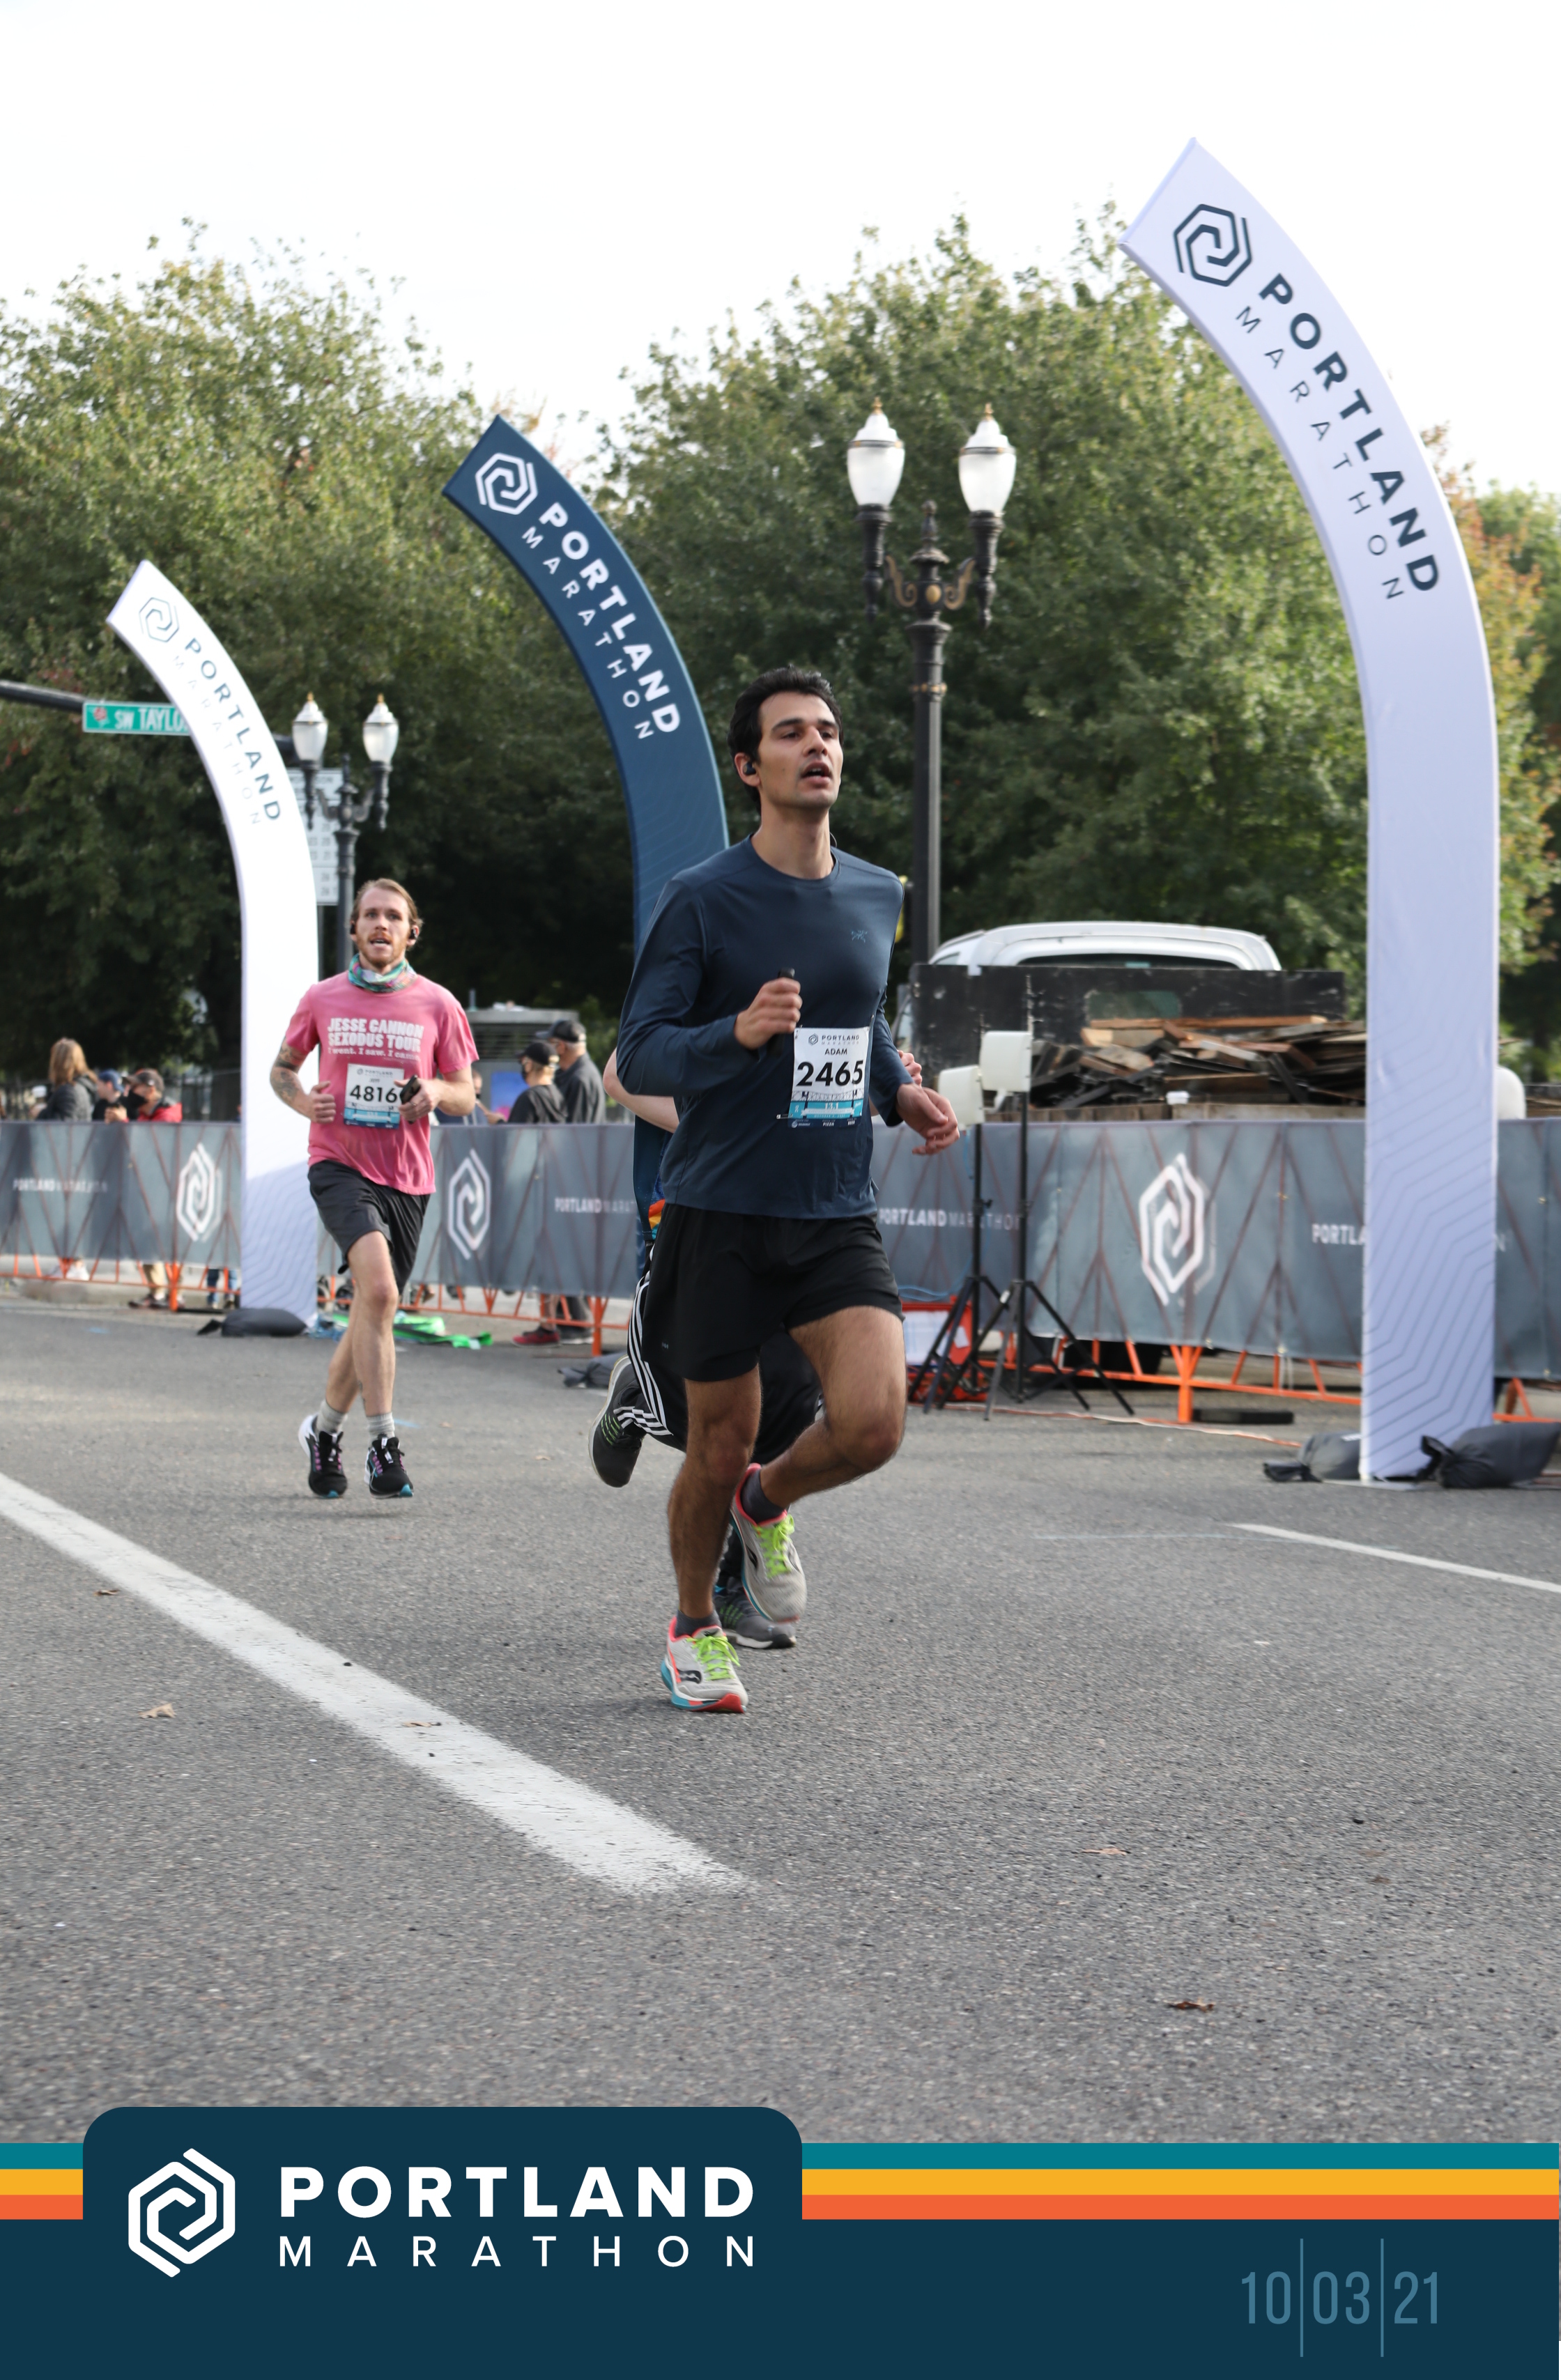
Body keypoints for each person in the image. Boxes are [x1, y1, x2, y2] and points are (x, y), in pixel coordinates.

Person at [614, 664, 960, 1713]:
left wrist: (899, 1091)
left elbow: (863, 1016)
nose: (817, 746)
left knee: (874, 1423)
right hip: (720, 1208)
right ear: (747, 766)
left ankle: (766, 1503)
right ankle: (692, 1628)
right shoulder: (702, 897)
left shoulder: (875, 891)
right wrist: (737, 1032)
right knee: (715, 1445)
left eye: (828, 731)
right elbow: (639, 1052)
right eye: (790, 733)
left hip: (831, 1207)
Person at [591, 1052, 815, 1651]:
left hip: (790, 1213)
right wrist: (730, 1123)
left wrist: (882, 1086)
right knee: (714, 1425)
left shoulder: (820, 998)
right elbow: (619, 1073)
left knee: (789, 1405)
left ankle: (729, 1586)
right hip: (690, 1213)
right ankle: (636, 1402)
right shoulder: (698, 991)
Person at [272, 876, 477, 1499]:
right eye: (370, 915)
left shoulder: (438, 1004)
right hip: (338, 1164)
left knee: (372, 1308)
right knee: (382, 1292)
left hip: (407, 1177)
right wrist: (304, 1102)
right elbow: (282, 1069)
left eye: (393, 916)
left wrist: (434, 1091)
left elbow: (464, 1095)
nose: (381, 924)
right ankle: (383, 1446)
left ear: (411, 932)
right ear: (355, 929)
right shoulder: (322, 997)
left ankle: (323, 1432)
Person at [549, 1019, 606, 1123]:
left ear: (561, 1046)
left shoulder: (580, 1079)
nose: (548, 1049)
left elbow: (575, 1130)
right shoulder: (574, 1073)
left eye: (550, 1043)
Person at [506, 1041, 566, 1126]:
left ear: (529, 1064)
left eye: (523, 1062)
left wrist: (499, 1123)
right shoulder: (558, 1096)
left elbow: (516, 1133)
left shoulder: (529, 1098)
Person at [38, 1040, 94, 1121]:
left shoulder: (68, 1091)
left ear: (58, 1063)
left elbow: (65, 1125)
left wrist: (41, 1113)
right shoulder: (81, 1086)